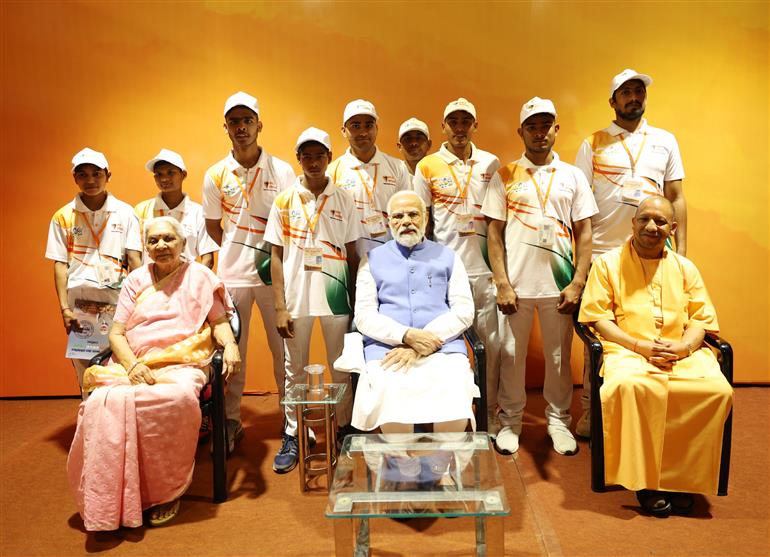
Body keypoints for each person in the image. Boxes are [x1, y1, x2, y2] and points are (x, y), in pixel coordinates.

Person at [67, 216, 241, 530]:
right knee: (99, 404)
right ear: (145, 246)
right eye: (153, 241)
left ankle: (165, 492)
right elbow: (116, 334)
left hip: (183, 362)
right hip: (135, 362)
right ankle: (114, 493)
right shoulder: (135, 279)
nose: (160, 246)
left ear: (183, 243)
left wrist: (230, 345)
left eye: (168, 239)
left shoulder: (200, 276)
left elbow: (218, 323)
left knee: (172, 400)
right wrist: (133, 366)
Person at [578, 196, 732, 516]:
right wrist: (638, 346)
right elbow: (598, 318)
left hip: (680, 350)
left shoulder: (685, 268)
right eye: (644, 219)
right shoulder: (607, 264)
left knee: (714, 391)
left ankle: (681, 478)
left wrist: (684, 347)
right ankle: (645, 482)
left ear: (672, 229)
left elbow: (701, 319)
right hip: (627, 349)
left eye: (661, 222)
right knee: (632, 387)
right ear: (633, 223)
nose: (652, 226)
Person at [574, 69, 688, 438]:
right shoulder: (593, 142)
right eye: (626, 92)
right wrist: (582, 261)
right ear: (613, 101)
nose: (634, 97)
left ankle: (657, 407)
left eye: (639, 91)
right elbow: (580, 206)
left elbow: (677, 198)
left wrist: (682, 253)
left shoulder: (665, 140)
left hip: (656, 250)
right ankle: (593, 411)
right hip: (604, 253)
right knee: (600, 336)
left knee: (657, 324)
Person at [483, 97, 597, 455]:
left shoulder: (573, 176)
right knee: (511, 357)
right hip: (515, 287)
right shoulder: (505, 175)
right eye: (532, 126)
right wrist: (501, 282)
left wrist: (578, 281)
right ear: (521, 131)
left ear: (556, 129)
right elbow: (493, 233)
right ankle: (511, 422)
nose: (539, 132)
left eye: (546, 125)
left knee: (560, 358)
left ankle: (559, 422)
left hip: (559, 288)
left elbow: (586, 231)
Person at [202, 91, 296, 452]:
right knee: (230, 354)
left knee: (285, 355)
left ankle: (290, 426)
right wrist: (236, 251)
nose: (241, 127)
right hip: (233, 276)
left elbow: (292, 223)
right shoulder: (215, 174)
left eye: (247, 120)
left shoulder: (282, 170)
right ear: (226, 127)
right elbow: (214, 228)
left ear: (259, 124)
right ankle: (229, 421)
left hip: (276, 276)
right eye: (234, 121)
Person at [265, 127, 361, 473]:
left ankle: (344, 430)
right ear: (298, 159)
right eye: (306, 155)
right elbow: (275, 256)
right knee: (295, 371)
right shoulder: (283, 201)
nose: (313, 161)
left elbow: (353, 252)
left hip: (336, 298)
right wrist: (279, 305)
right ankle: (294, 433)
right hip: (296, 300)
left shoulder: (344, 198)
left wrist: (355, 300)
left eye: (320, 154)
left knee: (341, 367)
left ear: (329, 158)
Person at [350, 190, 479, 434]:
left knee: (454, 382)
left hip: (443, 347)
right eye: (398, 216)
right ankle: (403, 466)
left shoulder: (449, 257)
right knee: (388, 385)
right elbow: (364, 316)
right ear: (389, 221)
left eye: (413, 214)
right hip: (388, 350)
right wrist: (406, 336)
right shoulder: (371, 260)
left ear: (426, 218)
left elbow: (463, 310)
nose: (406, 221)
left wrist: (422, 341)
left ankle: (444, 463)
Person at [413, 98, 504, 436]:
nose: (460, 127)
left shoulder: (491, 164)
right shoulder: (428, 165)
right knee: (443, 346)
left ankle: (489, 412)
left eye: (467, 120)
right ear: (444, 126)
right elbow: (420, 223)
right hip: (445, 272)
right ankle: (448, 410)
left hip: (485, 270)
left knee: (491, 344)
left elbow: (498, 222)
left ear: (475, 125)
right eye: (454, 121)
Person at [46, 147, 143, 398]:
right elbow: (59, 264)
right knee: (85, 368)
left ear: (108, 175)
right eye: (83, 174)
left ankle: (120, 420)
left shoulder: (125, 212)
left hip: (118, 300)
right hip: (81, 302)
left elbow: (135, 258)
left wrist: (143, 299)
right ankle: (90, 420)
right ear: (75, 178)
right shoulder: (63, 216)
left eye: (96, 174)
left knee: (123, 360)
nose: (90, 180)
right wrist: (64, 308)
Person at [328, 99, 411, 257]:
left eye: (369, 125)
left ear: (377, 128)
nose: (363, 132)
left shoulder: (397, 167)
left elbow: (406, 213)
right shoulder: (332, 172)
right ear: (343, 130)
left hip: (393, 257)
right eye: (356, 126)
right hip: (349, 259)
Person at [135, 149, 218, 268]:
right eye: (159, 174)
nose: (164, 179)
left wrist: (195, 283)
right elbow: (135, 255)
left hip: (187, 283)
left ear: (183, 175)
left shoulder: (198, 213)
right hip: (152, 283)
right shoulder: (141, 210)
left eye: (170, 172)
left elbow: (208, 259)